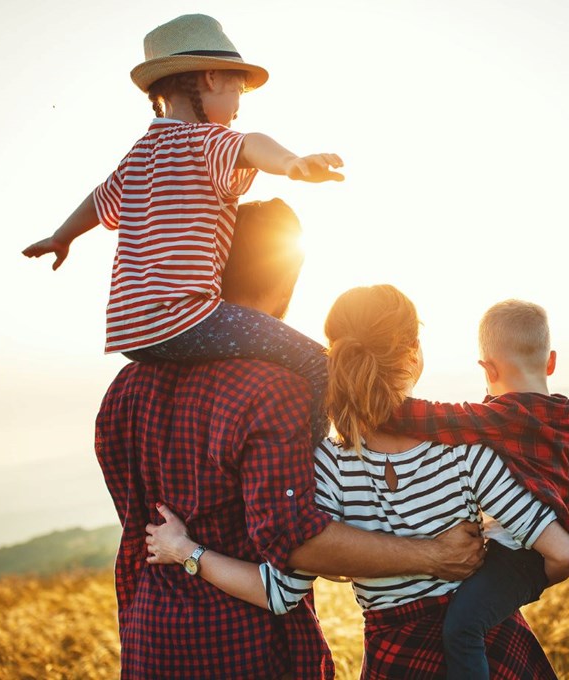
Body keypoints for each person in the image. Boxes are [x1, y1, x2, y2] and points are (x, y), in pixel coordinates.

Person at [96, 201, 484, 679]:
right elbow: (296, 541)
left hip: (149, 643)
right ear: (287, 275)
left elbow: (136, 516)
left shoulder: (124, 389)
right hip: (249, 650)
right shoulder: (275, 388)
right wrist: (434, 556)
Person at [146, 285, 569, 679]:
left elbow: (278, 593)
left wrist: (185, 550)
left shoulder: (327, 467)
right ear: (413, 354)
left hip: (397, 661)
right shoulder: (466, 449)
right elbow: (558, 550)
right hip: (492, 655)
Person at [23, 13, 343, 442]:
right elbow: (252, 144)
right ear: (211, 78)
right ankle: (316, 466)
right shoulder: (206, 141)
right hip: (187, 317)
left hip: (130, 333)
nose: (236, 109)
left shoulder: (139, 154)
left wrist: (61, 237)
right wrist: (292, 164)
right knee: (318, 363)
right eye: (237, 94)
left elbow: (99, 200)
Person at [381, 299, 569, 680]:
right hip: (528, 552)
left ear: (487, 369)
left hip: (515, 556)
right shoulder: (568, 419)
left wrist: (371, 402)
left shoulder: (499, 419)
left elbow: (432, 418)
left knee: (463, 629)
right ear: (551, 361)